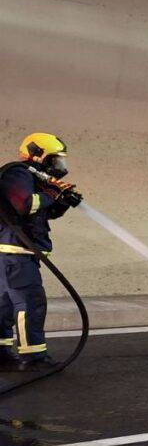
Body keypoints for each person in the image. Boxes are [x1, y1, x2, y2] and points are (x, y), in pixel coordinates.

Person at [0, 134, 82, 371]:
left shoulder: (31, 178)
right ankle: (33, 358)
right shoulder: (18, 173)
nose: (59, 167)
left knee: (4, 305)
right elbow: (24, 204)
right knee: (29, 302)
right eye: (55, 160)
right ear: (38, 155)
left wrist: (63, 200)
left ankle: (1, 353)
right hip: (16, 252)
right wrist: (50, 195)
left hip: (11, 253)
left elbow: (43, 212)